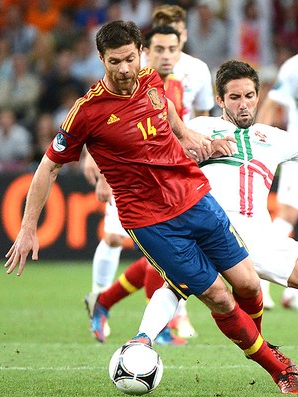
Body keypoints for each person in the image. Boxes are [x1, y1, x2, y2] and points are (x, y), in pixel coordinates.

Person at [4, 20, 298, 394]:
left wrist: (190, 136)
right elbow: (49, 166)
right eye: (114, 62)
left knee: (249, 284)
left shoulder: (150, 81)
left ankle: (256, 342)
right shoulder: (87, 112)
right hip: (152, 222)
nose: (124, 69)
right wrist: (29, 226)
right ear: (100, 59)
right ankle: (280, 369)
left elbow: (170, 115)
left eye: (129, 59)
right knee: (220, 298)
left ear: (139, 54)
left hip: (195, 199)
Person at [92, 59, 298, 350]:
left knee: (175, 281)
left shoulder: (275, 138)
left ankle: (117, 314)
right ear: (220, 100)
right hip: (211, 231)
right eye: (235, 97)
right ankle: (140, 342)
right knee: (175, 284)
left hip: (261, 237)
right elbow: (150, 152)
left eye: (249, 96)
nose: (243, 105)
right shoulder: (199, 128)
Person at [85, 4, 215, 340]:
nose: (167, 54)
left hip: (173, 174)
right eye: (159, 48)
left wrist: (197, 145)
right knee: (135, 243)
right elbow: (95, 127)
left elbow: (191, 120)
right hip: (131, 178)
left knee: (173, 249)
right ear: (147, 49)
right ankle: (116, 305)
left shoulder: (188, 74)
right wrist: (98, 170)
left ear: (183, 38)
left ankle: (111, 303)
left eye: (173, 45)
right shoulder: (130, 78)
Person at [257, 53, 298, 309]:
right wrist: (255, 145)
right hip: (295, 152)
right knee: (287, 214)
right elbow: (272, 105)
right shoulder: (294, 67)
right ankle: (261, 280)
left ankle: (292, 294)